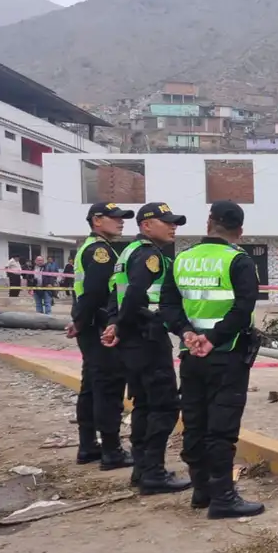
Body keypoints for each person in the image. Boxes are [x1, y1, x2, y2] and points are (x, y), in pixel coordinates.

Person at [161, 201, 264, 519]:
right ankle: (223, 498)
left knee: (194, 422)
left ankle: (201, 491)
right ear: (240, 231)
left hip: (191, 356)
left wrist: (186, 333)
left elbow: (168, 305)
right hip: (227, 356)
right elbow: (243, 308)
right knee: (221, 427)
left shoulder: (182, 260)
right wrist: (214, 338)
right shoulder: (238, 261)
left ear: (208, 224)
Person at [101, 202, 191, 495]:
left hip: (134, 339)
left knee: (144, 405)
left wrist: (116, 324)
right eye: (167, 222)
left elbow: (119, 293)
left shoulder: (129, 252)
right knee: (163, 406)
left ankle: (142, 470)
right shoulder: (150, 255)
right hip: (147, 338)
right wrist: (122, 326)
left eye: (174, 222)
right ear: (147, 225)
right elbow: (137, 294)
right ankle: (153, 473)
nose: (173, 226)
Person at [66, 202, 136, 470]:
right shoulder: (100, 252)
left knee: (92, 386)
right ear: (97, 220)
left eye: (122, 218)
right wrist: (84, 323)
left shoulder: (90, 247)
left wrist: (78, 322)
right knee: (108, 387)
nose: (120, 222)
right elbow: (96, 292)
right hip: (100, 327)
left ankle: (88, 446)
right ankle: (111, 450)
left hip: (89, 325)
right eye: (114, 218)